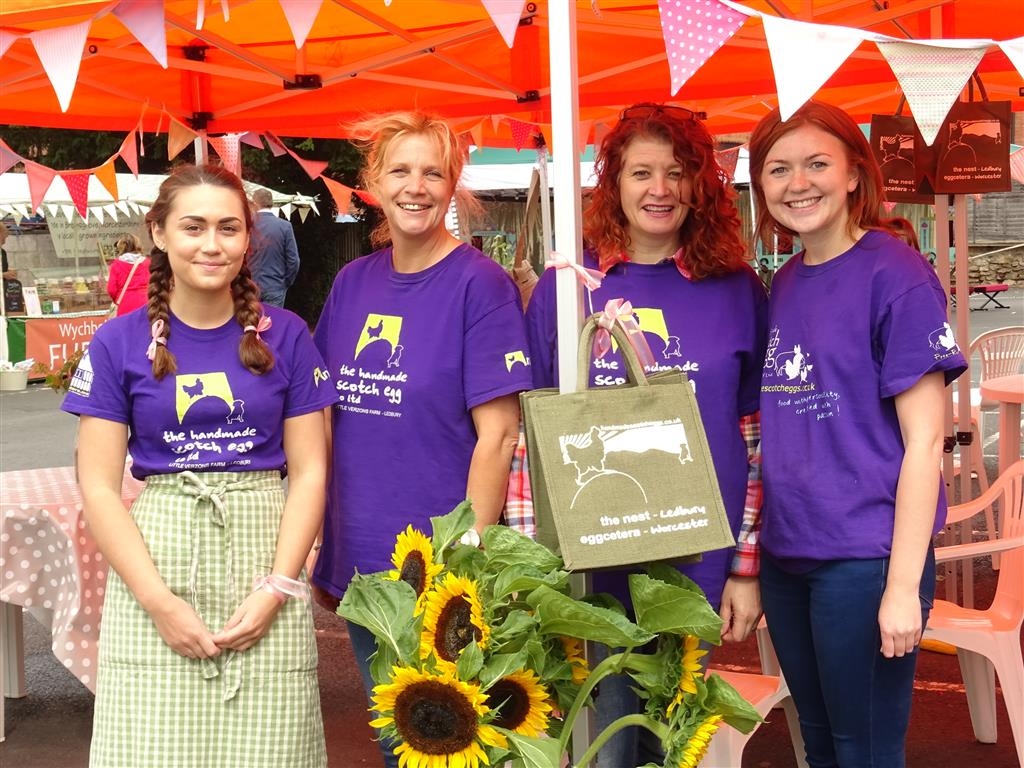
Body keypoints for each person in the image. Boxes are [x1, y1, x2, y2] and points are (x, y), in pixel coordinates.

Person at [61, 165, 334, 768]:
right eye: (194, 227)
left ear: (248, 240)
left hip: (266, 556)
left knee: (273, 750)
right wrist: (159, 601)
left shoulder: (286, 335)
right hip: (155, 560)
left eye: (228, 229)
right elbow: (99, 487)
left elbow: (311, 472)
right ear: (158, 233)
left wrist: (277, 587)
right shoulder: (116, 343)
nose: (212, 244)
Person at [524, 102, 768, 767]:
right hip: (596, 547)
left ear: (700, 184)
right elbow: (535, 432)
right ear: (614, 183)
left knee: (671, 728)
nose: (659, 190)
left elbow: (755, 436)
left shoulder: (736, 289)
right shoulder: (571, 288)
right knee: (607, 733)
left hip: (698, 546)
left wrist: (745, 564)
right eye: (640, 173)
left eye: (676, 172)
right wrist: (533, 555)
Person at [749, 100, 967, 768]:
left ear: (852, 175)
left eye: (817, 163)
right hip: (791, 556)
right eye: (779, 169)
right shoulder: (784, 282)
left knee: (863, 750)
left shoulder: (894, 275)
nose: (798, 183)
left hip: (866, 558)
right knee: (816, 741)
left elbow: (926, 442)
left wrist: (902, 585)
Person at [312, 112, 533, 768]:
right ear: (373, 183)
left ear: (453, 184)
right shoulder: (354, 282)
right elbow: (324, 413)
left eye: (432, 172)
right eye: (400, 170)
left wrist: (465, 560)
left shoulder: (481, 285)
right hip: (361, 550)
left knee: (450, 745)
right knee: (395, 735)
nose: (416, 186)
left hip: (438, 564)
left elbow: (498, 435)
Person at [248, 187, 300, 307]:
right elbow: (294, 260)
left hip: (251, 285)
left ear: (255, 204)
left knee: (250, 322)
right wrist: (286, 282)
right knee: (274, 323)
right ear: (271, 203)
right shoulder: (285, 226)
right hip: (275, 285)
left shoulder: (248, 226)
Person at [105, 232, 150, 316]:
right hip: (145, 303)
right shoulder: (147, 263)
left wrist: (118, 299)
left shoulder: (116, 264)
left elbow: (111, 289)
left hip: (125, 304)